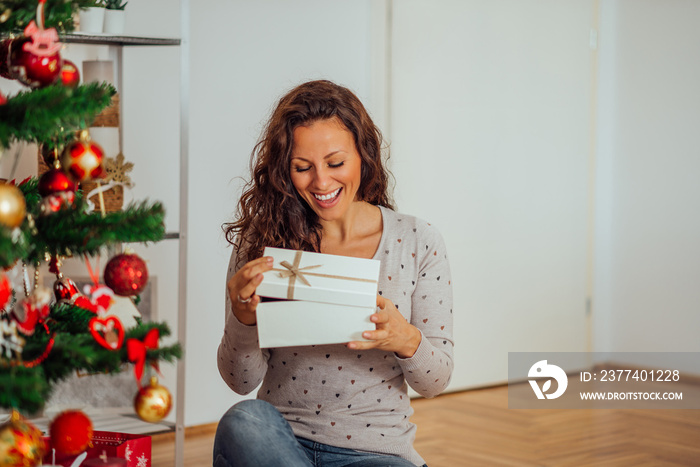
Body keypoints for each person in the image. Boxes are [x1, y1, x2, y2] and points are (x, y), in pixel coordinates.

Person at [214, 80, 453, 467]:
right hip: (281, 445)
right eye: (302, 168)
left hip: (374, 453)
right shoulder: (264, 245)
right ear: (283, 170)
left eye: (336, 163)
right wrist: (243, 321)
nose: (321, 183)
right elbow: (240, 382)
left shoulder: (417, 240)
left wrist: (404, 337)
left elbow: (436, 380)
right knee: (243, 421)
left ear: (364, 155)